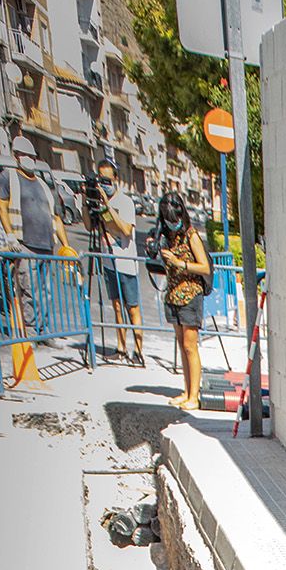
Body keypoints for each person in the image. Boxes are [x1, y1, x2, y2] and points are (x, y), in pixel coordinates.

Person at [0, 136, 71, 338]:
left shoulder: (42, 184)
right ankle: (31, 332)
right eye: (24, 155)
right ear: (16, 156)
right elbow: (2, 208)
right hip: (25, 244)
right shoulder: (8, 178)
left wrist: (66, 246)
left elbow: (56, 217)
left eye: (31, 156)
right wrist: (10, 235)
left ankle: (43, 330)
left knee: (45, 291)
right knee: (29, 290)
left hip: (46, 245)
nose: (28, 159)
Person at [156, 190, 209, 409]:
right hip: (174, 293)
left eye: (175, 220)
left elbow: (204, 266)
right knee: (181, 345)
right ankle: (187, 391)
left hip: (190, 294)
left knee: (190, 346)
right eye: (168, 221)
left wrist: (180, 263)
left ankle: (194, 396)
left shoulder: (191, 235)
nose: (172, 224)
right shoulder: (167, 236)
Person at [95, 158, 144, 365]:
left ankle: (138, 351)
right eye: (101, 180)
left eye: (108, 180)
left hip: (125, 262)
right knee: (116, 306)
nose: (105, 184)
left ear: (115, 179)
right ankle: (121, 348)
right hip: (108, 261)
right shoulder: (98, 201)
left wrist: (108, 207)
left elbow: (125, 230)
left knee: (132, 308)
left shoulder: (124, 202)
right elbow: (90, 226)